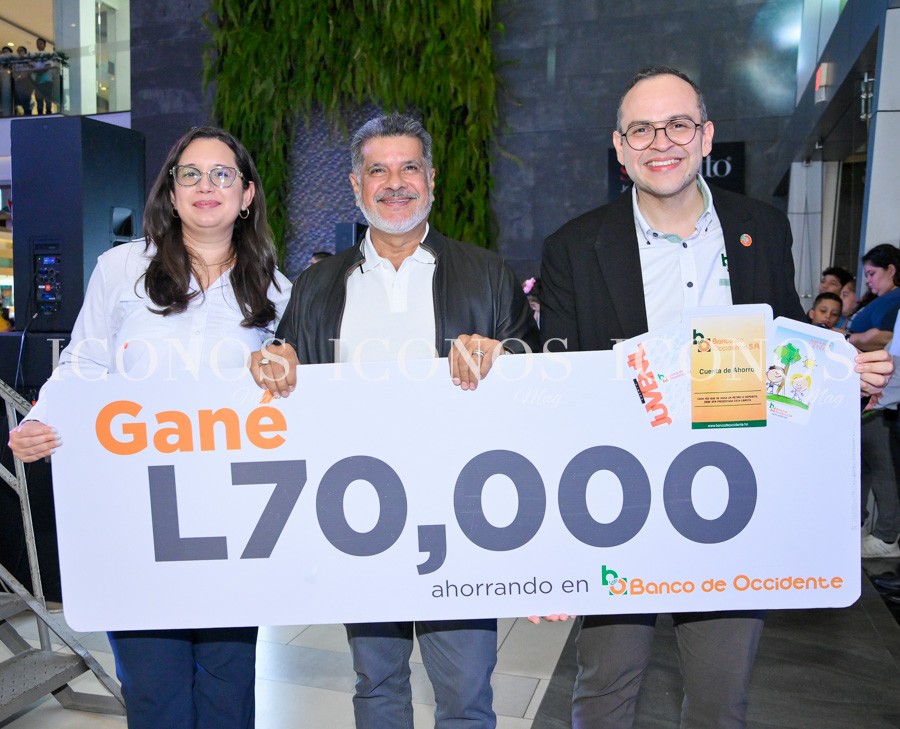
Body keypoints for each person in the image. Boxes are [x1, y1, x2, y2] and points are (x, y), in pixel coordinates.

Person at [539, 66, 892, 729]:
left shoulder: (762, 228)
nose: (660, 142)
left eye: (677, 124)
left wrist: (844, 377)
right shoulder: (573, 247)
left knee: (719, 702)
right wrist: (555, 546)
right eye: (641, 129)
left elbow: (786, 347)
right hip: (619, 503)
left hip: (733, 500)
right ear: (619, 147)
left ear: (705, 136)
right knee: (604, 693)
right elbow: (561, 392)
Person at [250, 112, 539, 729]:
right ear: (356, 185)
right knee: (376, 683)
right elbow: (285, 369)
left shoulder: (488, 272)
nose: (395, 182)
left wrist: (506, 356)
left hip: (462, 515)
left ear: (431, 179)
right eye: (378, 170)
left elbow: (538, 376)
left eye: (410, 167)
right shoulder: (317, 284)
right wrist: (274, 363)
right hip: (359, 513)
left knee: (466, 693)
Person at [8, 126, 291, 729]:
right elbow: (84, 362)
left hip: (231, 518)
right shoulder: (121, 268)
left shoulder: (276, 287)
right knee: (154, 691)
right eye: (191, 174)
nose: (206, 185)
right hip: (135, 514)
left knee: (228, 688)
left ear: (246, 194)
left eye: (223, 174)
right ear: (172, 190)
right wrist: (42, 418)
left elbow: (295, 394)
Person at [847, 243, 900, 352]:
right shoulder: (886, 298)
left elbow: (884, 338)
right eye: (867, 276)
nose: (868, 280)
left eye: (871, 274)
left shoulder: (894, 298)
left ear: (891, 270)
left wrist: (846, 338)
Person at [32, 38, 56, 115]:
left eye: (40, 43)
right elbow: (31, 66)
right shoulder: (34, 56)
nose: (38, 45)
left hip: (46, 80)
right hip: (37, 82)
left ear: (45, 45)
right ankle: (40, 113)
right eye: (37, 43)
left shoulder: (47, 55)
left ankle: (48, 112)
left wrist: (39, 73)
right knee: (39, 99)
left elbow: (47, 66)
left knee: (47, 98)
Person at [13, 46, 34, 116]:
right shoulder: (15, 61)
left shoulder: (28, 61)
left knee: (25, 99)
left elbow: (29, 70)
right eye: (18, 51)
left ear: (25, 52)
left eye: (21, 50)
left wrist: (21, 76)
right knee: (18, 98)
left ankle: (27, 114)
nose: (19, 52)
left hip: (26, 82)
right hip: (17, 82)